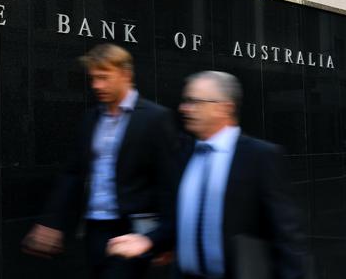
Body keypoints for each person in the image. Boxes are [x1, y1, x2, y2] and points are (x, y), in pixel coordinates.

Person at [107, 71, 305, 279]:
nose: (184, 108)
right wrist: (149, 240)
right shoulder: (182, 154)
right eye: (185, 101)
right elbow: (180, 220)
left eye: (194, 101)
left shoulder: (260, 156)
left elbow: (286, 236)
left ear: (224, 107)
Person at [22, 43, 178, 279]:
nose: (97, 85)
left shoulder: (156, 119)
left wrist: (165, 239)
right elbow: (72, 174)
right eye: (93, 78)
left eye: (104, 78)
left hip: (134, 230)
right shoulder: (91, 119)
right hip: (95, 228)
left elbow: (169, 182)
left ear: (126, 74)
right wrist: (51, 222)